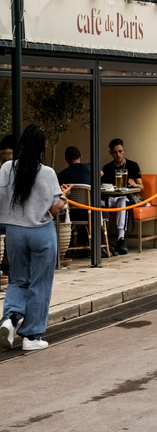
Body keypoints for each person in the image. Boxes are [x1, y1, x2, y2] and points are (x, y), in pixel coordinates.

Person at [0, 124, 72, 351]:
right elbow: (53, 209)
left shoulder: (7, 168)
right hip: (41, 233)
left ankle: (9, 319)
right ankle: (31, 337)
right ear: (42, 147)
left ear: (21, 145)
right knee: (40, 283)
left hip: (14, 232)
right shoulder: (48, 173)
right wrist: (64, 198)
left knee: (17, 279)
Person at [101, 139, 144, 255]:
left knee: (123, 202)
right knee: (97, 204)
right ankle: (102, 240)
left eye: (120, 151)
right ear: (111, 153)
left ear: (124, 151)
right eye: (115, 152)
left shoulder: (132, 165)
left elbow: (141, 186)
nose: (118, 155)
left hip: (124, 198)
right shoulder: (107, 168)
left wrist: (135, 184)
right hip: (109, 198)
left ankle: (121, 239)